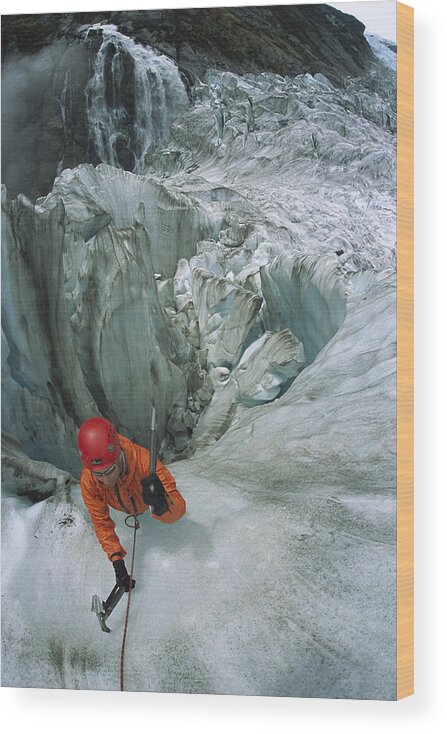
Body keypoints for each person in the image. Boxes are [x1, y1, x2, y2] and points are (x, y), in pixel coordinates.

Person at [78, 417, 186, 591]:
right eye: (98, 475)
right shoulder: (89, 481)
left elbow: (179, 509)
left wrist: (162, 505)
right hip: (128, 506)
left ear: (118, 455)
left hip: (145, 506)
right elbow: (101, 523)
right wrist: (117, 561)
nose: (106, 481)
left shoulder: (145, 464)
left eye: (109, 471)